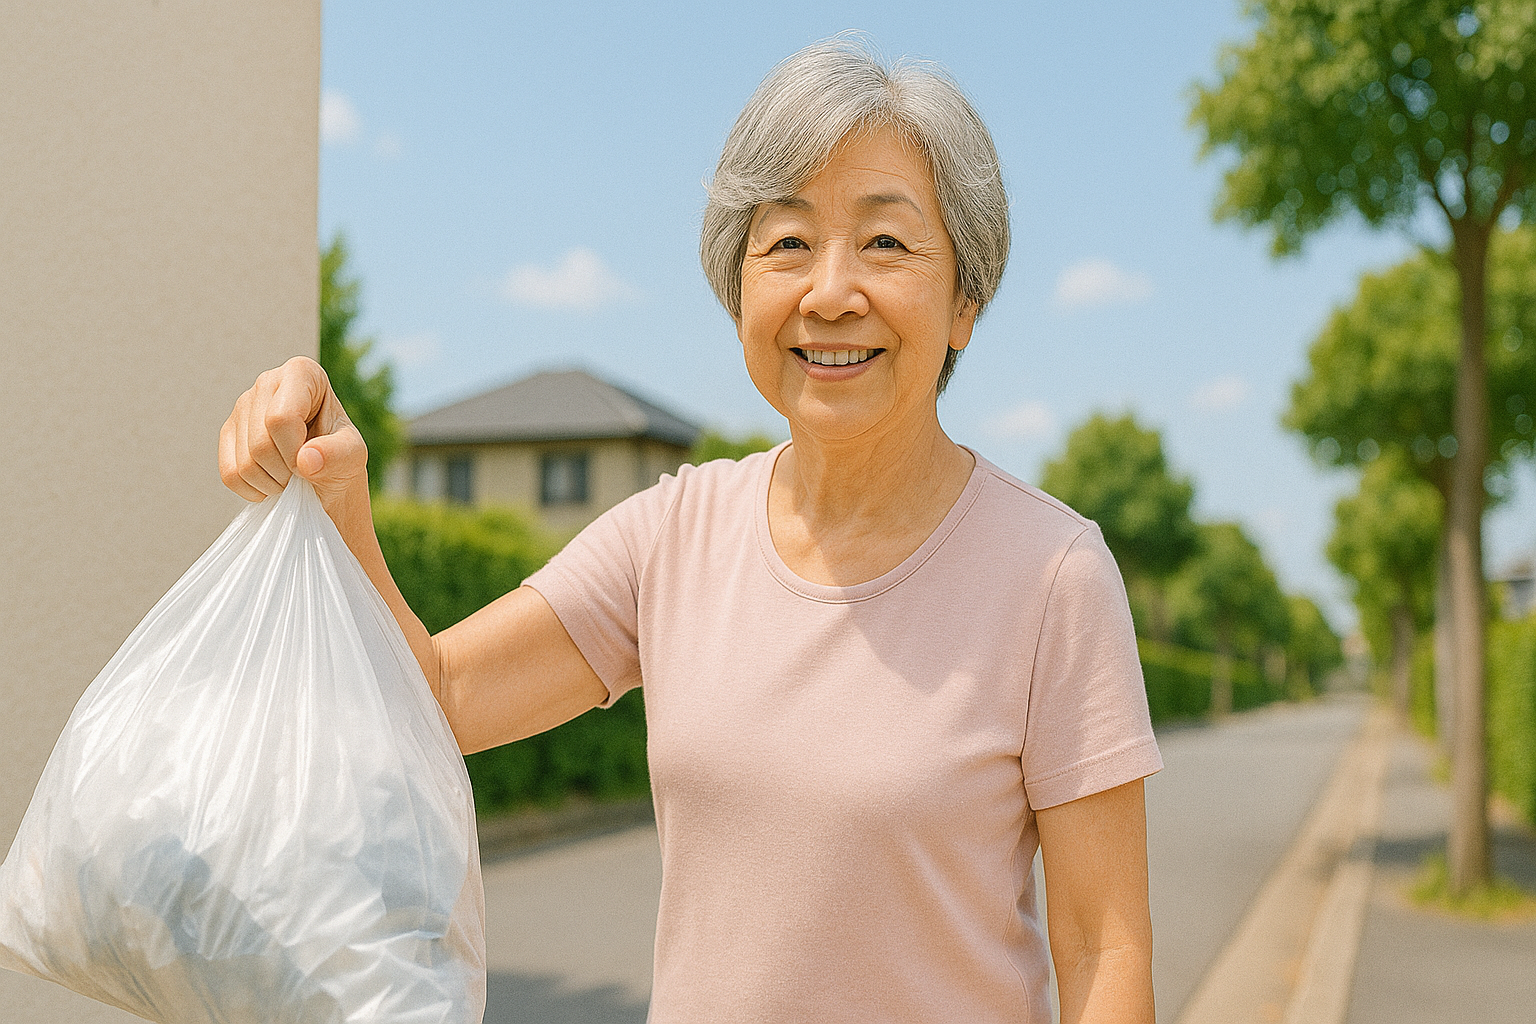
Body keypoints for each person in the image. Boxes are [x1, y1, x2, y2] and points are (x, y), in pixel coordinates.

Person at [221, 35, 1160, 1024]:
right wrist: (340, 496)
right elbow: (438, 699)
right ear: (739, 286)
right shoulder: (673, 534)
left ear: (965, 300)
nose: (830, 292)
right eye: (788, 242)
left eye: (885, 242)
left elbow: (1105, 948)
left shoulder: (1051, 573)